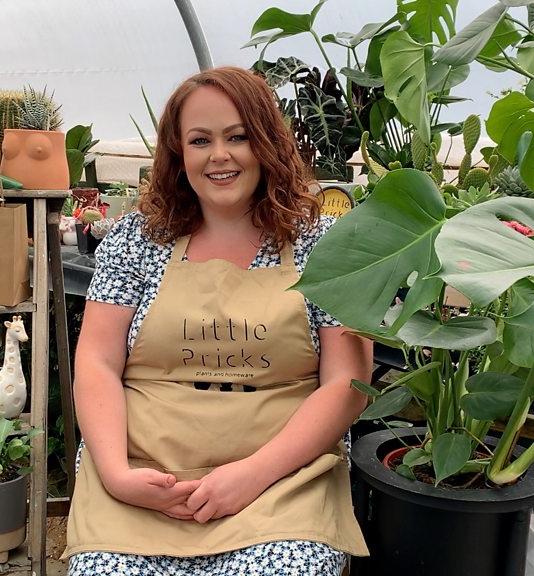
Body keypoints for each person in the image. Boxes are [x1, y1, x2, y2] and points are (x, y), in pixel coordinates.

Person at [63, 66, 372, 576]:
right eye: (200, 140)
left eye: (238, 136)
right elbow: (96, 361)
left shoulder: (323, 244)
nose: (219, 155)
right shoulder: (138, 239)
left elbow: (348, 383)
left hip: (279, 486)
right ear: (178, 152)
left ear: (267, 142)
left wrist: (252, 474)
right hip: (145, 481)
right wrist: (117, 475)